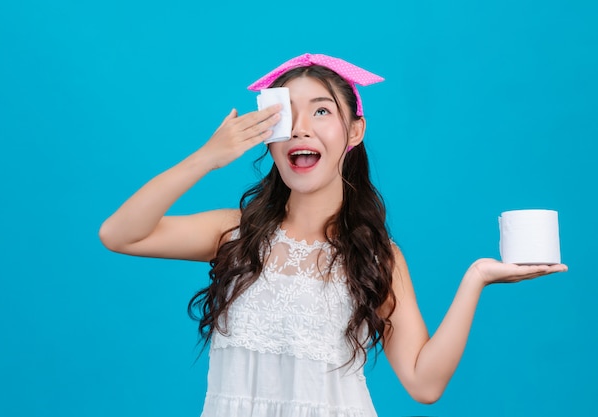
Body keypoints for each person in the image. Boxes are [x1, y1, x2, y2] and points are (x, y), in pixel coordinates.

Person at [99, 53, 567, 417]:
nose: (301, 127)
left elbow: (424, 384)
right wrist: (207, 157)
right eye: (287, 115)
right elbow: (120, 235)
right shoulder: (232, 234)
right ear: (270, 134)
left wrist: (476, 278)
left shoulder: (377, 256)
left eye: (321, 111)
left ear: (354, 131)